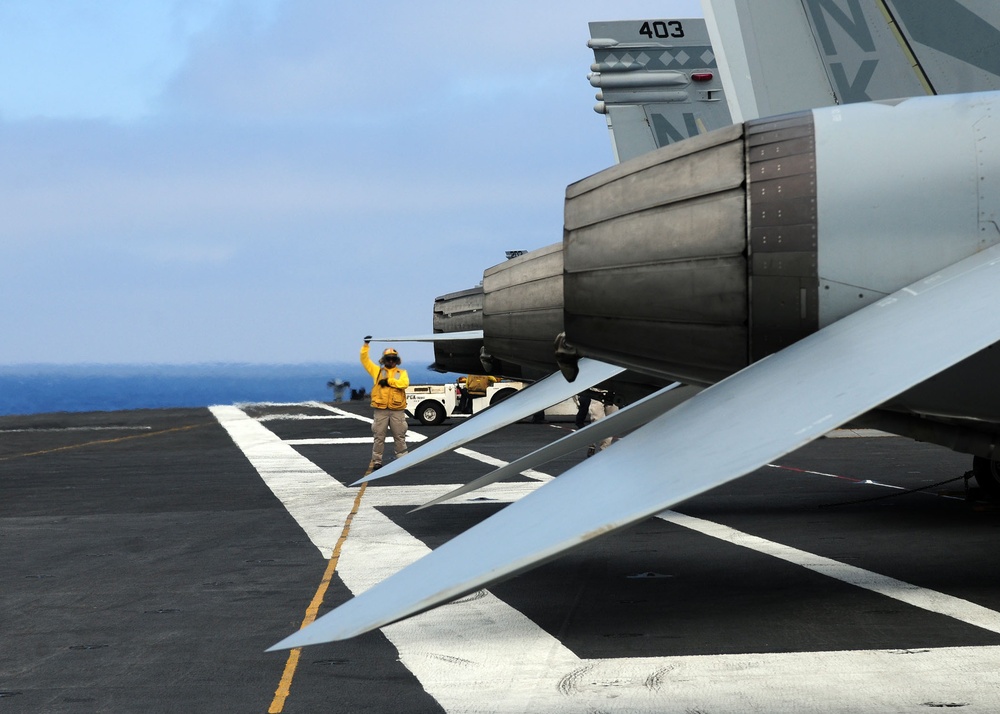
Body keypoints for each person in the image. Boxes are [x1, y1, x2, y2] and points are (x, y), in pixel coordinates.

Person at [360, 336, 410, 471]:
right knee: (379, 437)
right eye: (388, 358)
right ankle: (377, 461)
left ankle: (403, 459)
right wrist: (366, 345)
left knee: (399, 436)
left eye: (393, 358)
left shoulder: (402, 373)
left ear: (397, 360)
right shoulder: (377, 372)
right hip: (380, 410)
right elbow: (365, 360)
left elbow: (404, 384)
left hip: (397, 410)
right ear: (384, 360)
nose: (391, 361)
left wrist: (388, 382)